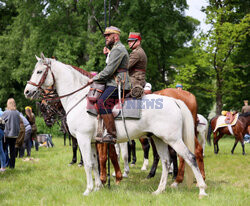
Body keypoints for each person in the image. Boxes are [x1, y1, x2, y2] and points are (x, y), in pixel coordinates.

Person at [88, 26, 131, 143]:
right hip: (113, 82)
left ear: (115, 36)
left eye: (108, 35)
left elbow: (109, 71)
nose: (106, 38)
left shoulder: (118, 49)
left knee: (102, 102)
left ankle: (112, 134)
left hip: (118, 84)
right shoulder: (115, 49)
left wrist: (94, 78)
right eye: (105, 36)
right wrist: (108, 54)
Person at [1, 98, 20, 169]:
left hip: (7, 134)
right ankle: (12, 166)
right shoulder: (17, 112)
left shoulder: (6, 112)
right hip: (15, 134)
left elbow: (1, 120)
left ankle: (4, 164)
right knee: (12, 151)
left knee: (4, 150)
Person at [127, 32, 147, 97]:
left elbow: (125, 66)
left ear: (138, 42)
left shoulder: (136, 53)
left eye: (132, 41)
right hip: (136, 79)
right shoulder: (139, 51)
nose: (129, 43)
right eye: (128, 41)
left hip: (135, 81)